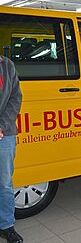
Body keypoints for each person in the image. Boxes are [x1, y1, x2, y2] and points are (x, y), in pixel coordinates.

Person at [0, 55, 23, 243]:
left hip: (4, 133)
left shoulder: (6, 65)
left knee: (4, 183)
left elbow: (15, 98)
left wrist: (2, 125)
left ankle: (6, 225)